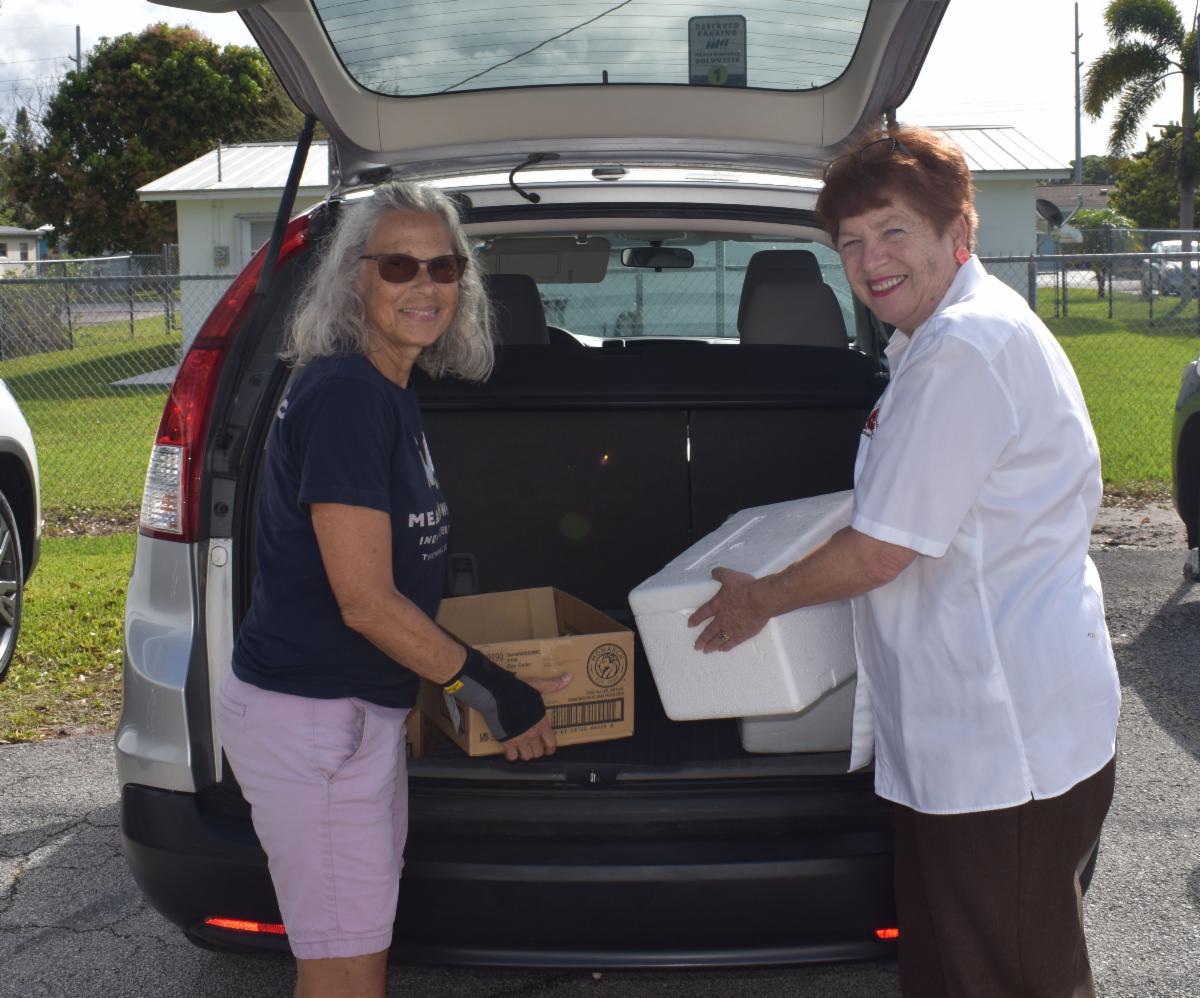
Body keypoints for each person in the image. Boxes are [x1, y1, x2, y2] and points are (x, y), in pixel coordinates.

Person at [689, 126, 1119, 998]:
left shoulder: (963, 349)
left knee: (1014, 977)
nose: (870, 259)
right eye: (850, 242)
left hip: (1002, 746)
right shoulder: (945, 338)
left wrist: (761, 598)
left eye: (892, 233)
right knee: (956, 967)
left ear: (955, 231)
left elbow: (883, 549)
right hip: (980, 734)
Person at [216, 181, 571, 998]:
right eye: (400, 265)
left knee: (347, 962)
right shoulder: (348, 398)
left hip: (343, 719)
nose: (426, 286)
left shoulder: (385, 392)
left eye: (444, 268)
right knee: (344, 977)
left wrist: (428, 688)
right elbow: (366, 602)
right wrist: (493, 691)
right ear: (354, 281)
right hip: (315, 729)